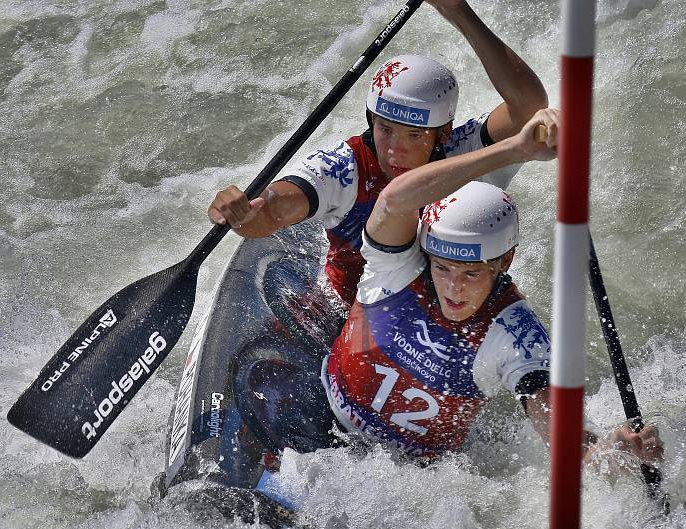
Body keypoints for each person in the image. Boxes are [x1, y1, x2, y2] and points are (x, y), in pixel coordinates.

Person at [242, 109, 663, 504]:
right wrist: (515, 149)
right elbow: (394, 200)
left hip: (406, 480)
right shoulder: (398, 264)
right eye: (442, 268)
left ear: (504, 262)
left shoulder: (517, 336)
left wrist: (612, 451)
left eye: (471, 274)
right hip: (318, 410)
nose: (453, 288)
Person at [207, 0, 549, 306]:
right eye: (385, 130)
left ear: (442, 133)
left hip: (454, 313)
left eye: (414, 135)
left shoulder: (462, 151)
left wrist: (458, 10)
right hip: (359, 314)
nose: (394, 149)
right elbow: (273, 212)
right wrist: (245, 214)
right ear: (371, 121)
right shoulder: (340, 170)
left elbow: (530, 109)